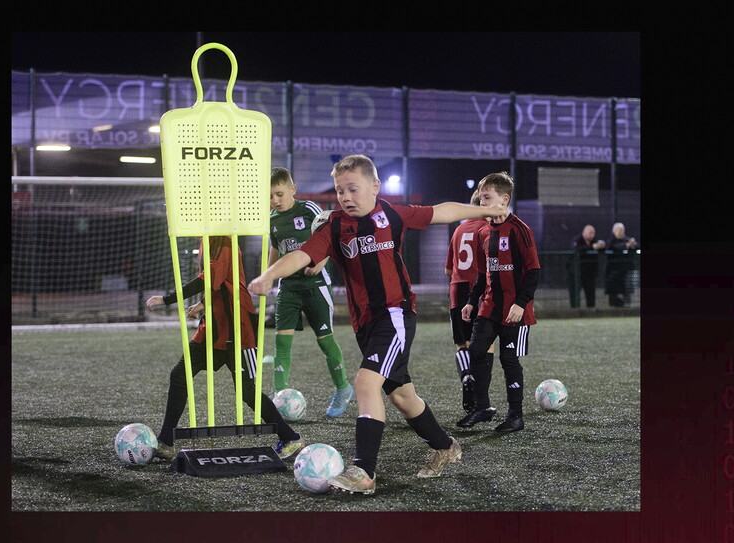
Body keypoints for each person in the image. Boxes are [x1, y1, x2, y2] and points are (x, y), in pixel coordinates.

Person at [248, 154, 506, 495]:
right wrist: (268, 275)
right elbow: (302, 255)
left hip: (395, 315)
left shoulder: (392, 214)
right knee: (402, 396)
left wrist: (485, 211)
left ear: (375, 187)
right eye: (340, 191)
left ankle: (364, 472)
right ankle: (445, 446)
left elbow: (440, 212)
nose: (345, 197)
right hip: (364, 325)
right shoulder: (335, 226)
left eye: (353, 189)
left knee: (365, 382)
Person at [145, 236, 306, 462]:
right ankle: (166, 442)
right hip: (213, 326)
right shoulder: (205, 239)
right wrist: (203, 304)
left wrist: (167, 298)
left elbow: (210, 278)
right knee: (179, 375)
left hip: (238, 329)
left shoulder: (223, 239)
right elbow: (222, 281)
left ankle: (290, 438)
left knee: (247, 392)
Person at [267, 167, 354, 418]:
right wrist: (269, 275)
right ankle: (279, 398)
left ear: (292, 190)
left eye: (280, 194)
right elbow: (276, 249)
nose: (275, 200)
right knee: (281, 342)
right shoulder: (271, 219)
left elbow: (329, 237)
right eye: (270, 196)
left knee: (325, 340)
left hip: (315, 285)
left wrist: (321, 261)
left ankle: (342, 388)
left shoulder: (310, 210)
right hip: (289, 287)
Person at [458, 172, 541, 433]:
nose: (482, 204)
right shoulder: (483, 232)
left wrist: (521, 303)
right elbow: (483, 274)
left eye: (487, 198)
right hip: (490, 306)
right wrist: (472, 300)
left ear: (504, 199)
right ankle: (482, 408)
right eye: (481, 199)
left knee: (509, 360)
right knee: (476, 352)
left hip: (515, 310)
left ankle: (516, 416)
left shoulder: (520, 230)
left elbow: (534, 271)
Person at [444, 191, 495, 414]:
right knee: (486, 344)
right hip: (481, 290)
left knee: (462, 344)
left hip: (458, 289)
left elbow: (448, 269)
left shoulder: (459, 229)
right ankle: (482, 397)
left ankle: (466, 376)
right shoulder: (487, 229)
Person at [569, 224, 606, 308]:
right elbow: (577, 249)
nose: (592, 235)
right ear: (584, 232)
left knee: (590, 292)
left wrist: (602, 246)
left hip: (590, 273)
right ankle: (575, 310)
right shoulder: (577, 240)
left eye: (593, 233)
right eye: (590, 232)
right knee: (575, 293)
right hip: (577, 273)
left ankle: (591, 311)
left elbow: (604, 249)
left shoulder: (595, 241)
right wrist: (591, 247)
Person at [604, 222, 638, 307]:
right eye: (619, 230)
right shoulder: (611, 241)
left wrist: (633, 245)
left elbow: (636, 247)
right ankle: (614, 309)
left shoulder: (627, 239)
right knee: (613, 292)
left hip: (627, 271)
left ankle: (627, 309)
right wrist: (626, 246)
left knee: (627, 291)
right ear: (614, 231)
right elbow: (614, 247)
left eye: (622, 230)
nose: (621, 232)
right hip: (614, 272)